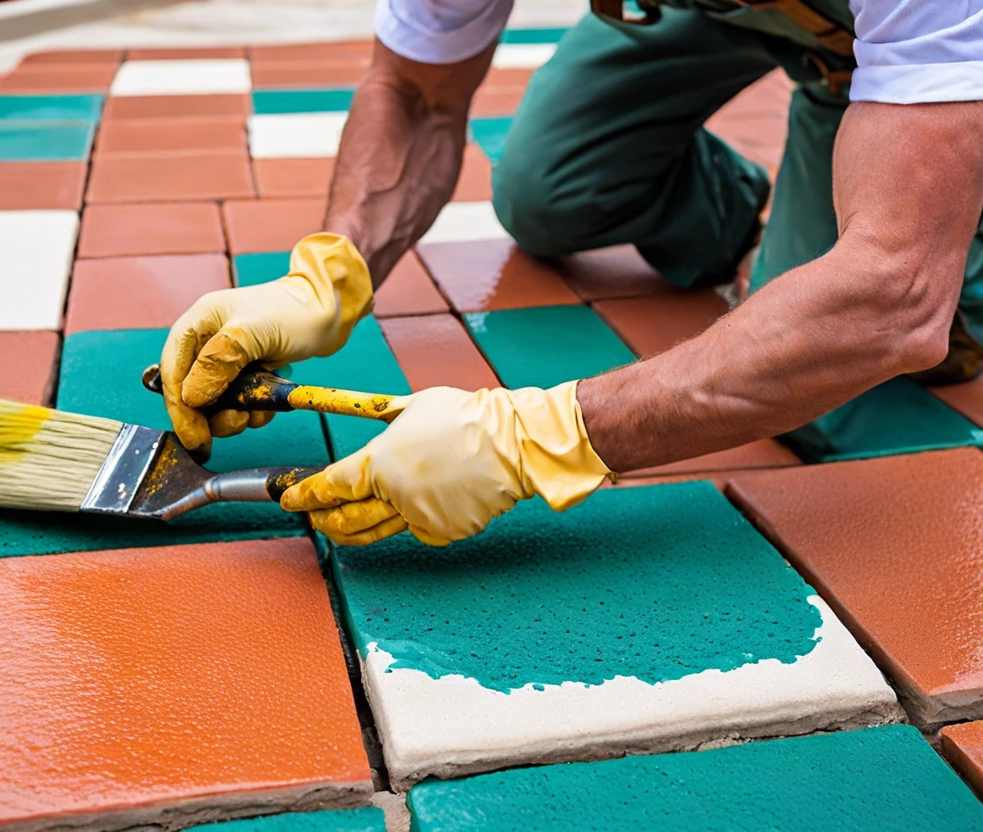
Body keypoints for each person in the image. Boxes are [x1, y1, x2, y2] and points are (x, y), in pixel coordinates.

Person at [160, 0, 983, 546]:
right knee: (551, 192)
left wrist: (543, 437)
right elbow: (413, 93)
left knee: (841, 380)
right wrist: (326, 274)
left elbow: (893, 288)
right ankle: (744, 221)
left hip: (939, 59)